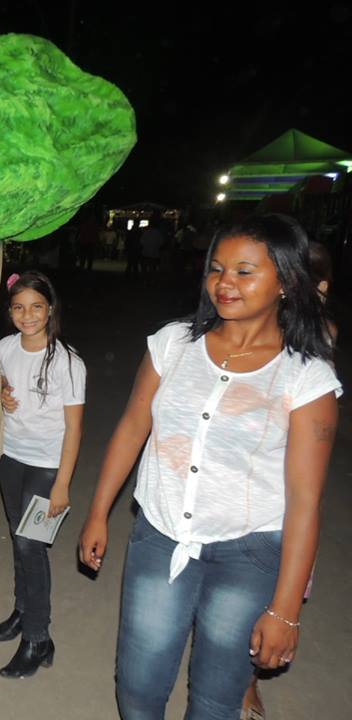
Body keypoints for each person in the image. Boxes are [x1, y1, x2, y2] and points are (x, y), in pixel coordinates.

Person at [78, 214, 340, 720]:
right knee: (137, 687)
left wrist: (286, 610)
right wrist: (97, 512)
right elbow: (133, 427)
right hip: (160, 533)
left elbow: (306, 501)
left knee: (217, 700)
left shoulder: (306, 377)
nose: (225, 283)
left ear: (285, 280)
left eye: (245, 271)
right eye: (217, 269)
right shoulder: (174, 344)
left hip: (249, 552)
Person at [240, 238, 337, 720]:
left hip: (288, 481)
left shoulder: (321, 336)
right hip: (245, 479)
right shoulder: (249, 326)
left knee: (280, 590)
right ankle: (235, 676)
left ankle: (248, 681)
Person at [0, 271, 85, 678]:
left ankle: (38, 637)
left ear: (50, 310)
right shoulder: (5, 346)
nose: (27, 315)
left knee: (32, 545)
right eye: (18, 307)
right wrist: (0, 392)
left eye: (36, 307)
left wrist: (63, 483)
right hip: (11, 457)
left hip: (48, 466)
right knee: (18, 538)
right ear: (10, 312)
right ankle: (22, 610)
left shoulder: (67, 361)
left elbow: (75, 427)